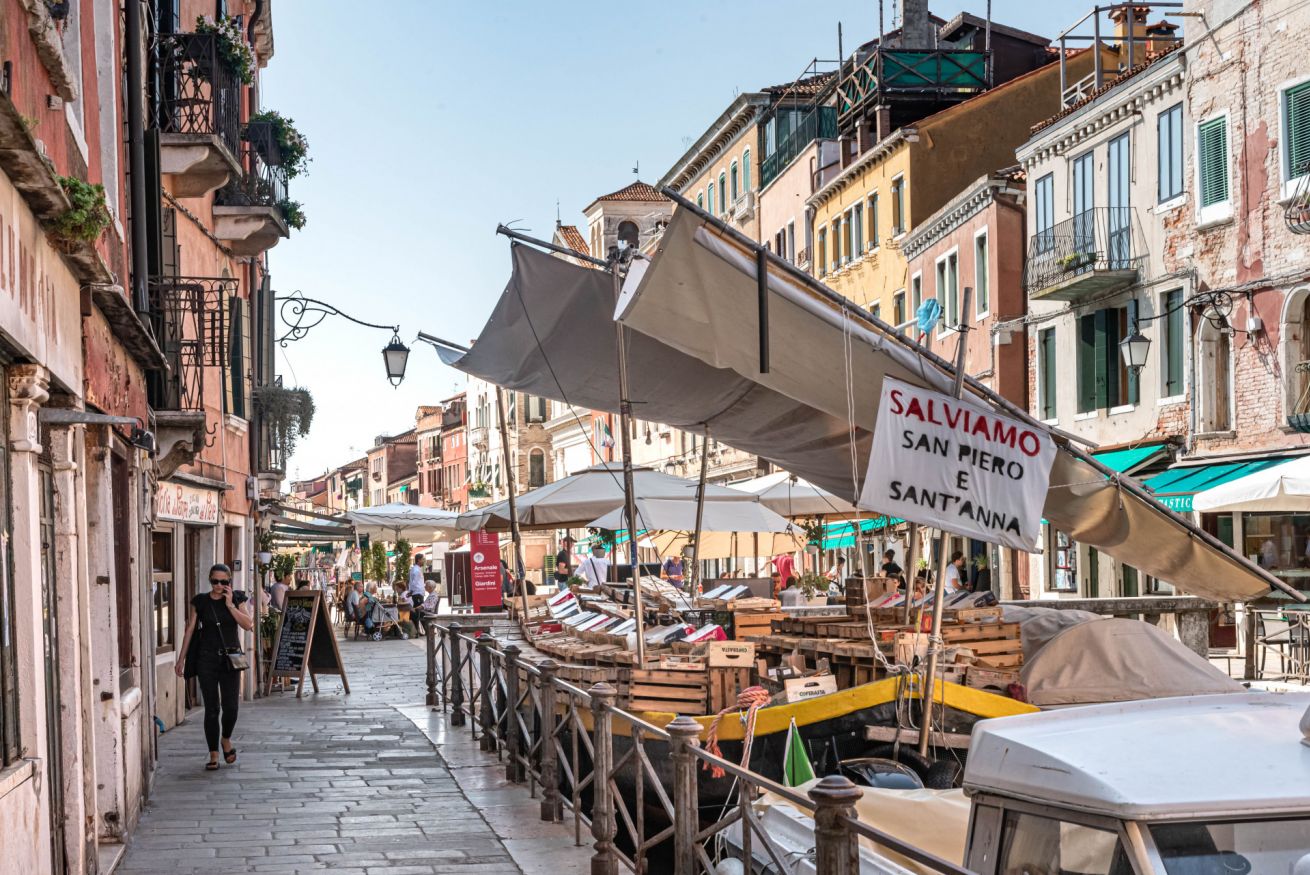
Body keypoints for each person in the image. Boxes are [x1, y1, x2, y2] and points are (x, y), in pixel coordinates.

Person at [175, 564, 253, 771]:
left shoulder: (237, 598)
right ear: (210, 580)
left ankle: (225, 739)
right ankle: (213, 754)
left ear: (229, 581)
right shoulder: (200, 601)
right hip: (206, 659)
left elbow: (248, 624)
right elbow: (190, 630)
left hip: (231, 659)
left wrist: (230, 605)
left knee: (231, 707)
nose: (219, 585)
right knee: (211, 708)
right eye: (215, 581)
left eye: (223, 582)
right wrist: (181, 659)